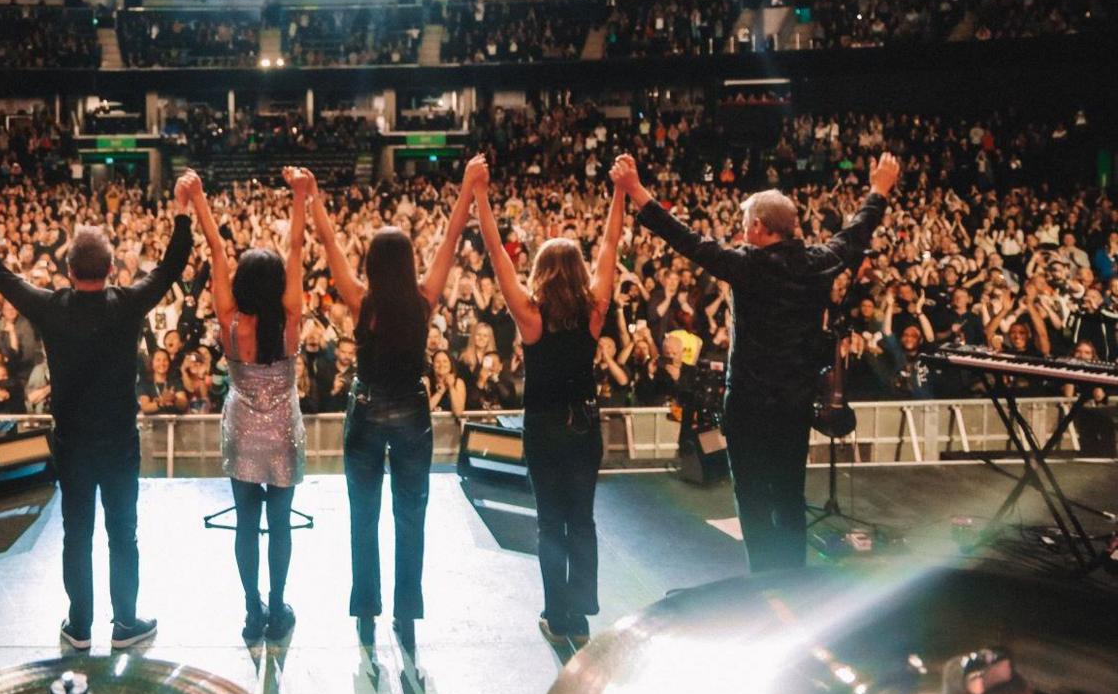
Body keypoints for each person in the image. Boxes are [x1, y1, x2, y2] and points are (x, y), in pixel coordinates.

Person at [614, 152, 899, 572]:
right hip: (793, 404)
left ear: (759, 228)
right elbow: (855, 235)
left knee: (751, 497)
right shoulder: (817, 262)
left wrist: (636, 191)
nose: (742, 229)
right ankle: (792, 582)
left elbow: (686, 239)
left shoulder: (745, 265)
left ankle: (763, 583)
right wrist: (878, 190)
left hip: (747, 404)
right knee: (788, 495)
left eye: (745, 222)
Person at [0, 173, 198, 653]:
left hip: (71, 443)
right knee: (123, 534)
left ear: (69, 268)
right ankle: (126, 624)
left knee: (77, 534)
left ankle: (79, 626)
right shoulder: (129, 302)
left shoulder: (51, 307)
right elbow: (174, 265)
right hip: (119, 442)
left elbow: (0, 277)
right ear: (113, 267)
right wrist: (182, 209)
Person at [309, 156, 483, 653]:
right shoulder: (424, 299)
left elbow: (330, 247)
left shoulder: (362, 301)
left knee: (363, 517)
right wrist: (468, 187)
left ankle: (366, 609)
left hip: (365, 412)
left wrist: (313, 198)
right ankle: (407, 612)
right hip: (412, 413)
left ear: (372, 264)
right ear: (407, 263)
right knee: (411, 516)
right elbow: (450, 242)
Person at [471, 154, 625, 646]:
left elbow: (496, 255)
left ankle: (556, 616)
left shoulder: (531, 317)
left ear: (540, 271)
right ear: (577, 272)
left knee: (549, 523)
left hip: (542, 428)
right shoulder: (594, 311)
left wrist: (479, 194)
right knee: (581, 520)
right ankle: (579, 615)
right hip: (584, 428)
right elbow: (608, 248)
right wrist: (620, 192)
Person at [187, 166, 310, 643]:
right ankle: (278, 608)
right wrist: (300, 197)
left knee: (245, 524)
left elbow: (217, 249)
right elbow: (298, 248)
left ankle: (251, 612)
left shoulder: (230, 320)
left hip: (241, 426)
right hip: (282, 428)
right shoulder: (292, 318)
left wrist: (199, 197)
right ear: (278, 283)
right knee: (280, 525)